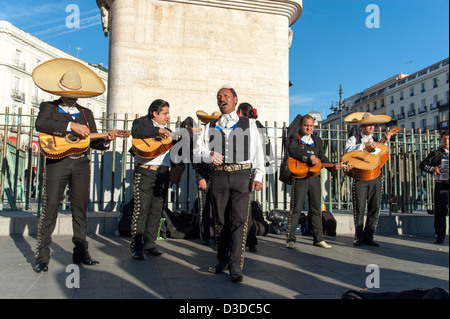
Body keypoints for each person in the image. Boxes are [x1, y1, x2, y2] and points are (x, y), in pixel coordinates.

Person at [32, 58, 119, 273]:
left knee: (80, 210)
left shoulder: (86, 113)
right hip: (57, 163)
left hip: (81, 164)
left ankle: (81, 252)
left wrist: (106, 139)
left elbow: (92, 140)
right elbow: (41, 124)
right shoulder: (48, 108)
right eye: (69, 92)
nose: (73, 96)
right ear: (61, 90)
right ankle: (42, 256)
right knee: (50, 207)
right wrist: (71, 125)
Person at [194, 88, 265, 283]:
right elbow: (197, 150)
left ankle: (235, 264)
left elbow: (258, 151)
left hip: (242, 175)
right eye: (219, 97)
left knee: (239, 219)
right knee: (221, 219)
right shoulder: (210, 126)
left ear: (235, 100)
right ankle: (222, 259)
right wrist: (208, 155)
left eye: (226, 96)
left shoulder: (249, 124)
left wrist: (258, 175)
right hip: (218, 177)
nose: (222, 99)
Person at [287, 115, 343, 249]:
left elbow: (322, 157)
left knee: (316, 208)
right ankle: (291, 238)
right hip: (300, 177)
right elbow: (293, 150)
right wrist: (308, 156)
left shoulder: (317, 140)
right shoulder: (295, 137)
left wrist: (333, 166)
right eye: (306, 125)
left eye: (311, 126)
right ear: (301, 125)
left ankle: (318, 238)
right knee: (296, 208)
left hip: (314, 177)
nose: (309, 128)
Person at [129, 99, 174, 260]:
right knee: (141, 208)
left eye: (168, 113)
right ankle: (137, 246)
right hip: (145, 172)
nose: (168, 116)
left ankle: (150, 244)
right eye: (165, 113)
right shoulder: (141, 123)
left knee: (156, 210)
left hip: (163, 173)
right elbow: (136, 132)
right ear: (154, 113)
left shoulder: (168, 130)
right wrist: (156, 132)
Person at [344, 112, 392, 247]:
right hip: (360, 177)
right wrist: (364, 146)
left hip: (375, 176)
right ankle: (358, 236)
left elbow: (382, 155)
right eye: (368, 125)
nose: (371, 127)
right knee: (359, 207)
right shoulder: (354, 138)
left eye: (373, 125)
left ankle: (369, 235)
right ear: (363, 126)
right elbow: (347, 151)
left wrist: (385, 142)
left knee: (374, 207)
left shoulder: (377, 139)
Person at [419, 131, 449, 244]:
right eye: (444, 139)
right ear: (441, 141)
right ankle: (440, 236)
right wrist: (433, 169)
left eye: (448, 139)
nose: (446, 141)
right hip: (442, 185)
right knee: (441, 211)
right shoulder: (436, 153)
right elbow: (422, 165)